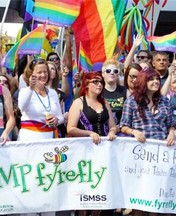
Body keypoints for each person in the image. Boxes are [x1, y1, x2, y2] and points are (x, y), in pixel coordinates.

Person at [120, 67, 175, 216]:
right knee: (139, 193)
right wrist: (134, 131)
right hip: (140, 154)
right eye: (151, 79)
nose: (156, 81)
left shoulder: (164, 101)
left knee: (156, 192)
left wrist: (172, 133)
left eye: (157, 79)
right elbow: (123, 126)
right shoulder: (132, 101)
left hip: (160, 153)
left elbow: (171, 123)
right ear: (143, 81)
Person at [66, 72, 117, 216]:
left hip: (103, 151)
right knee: (84, 189)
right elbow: (70, 128)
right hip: (84, 152)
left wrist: (112, 132)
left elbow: (113, 125)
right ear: (87, 84)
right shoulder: (79, 102)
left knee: (99, 188)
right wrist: (89, 133)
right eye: (95, 81)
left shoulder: (104, 102)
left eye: (101, 82)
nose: (99, 84)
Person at [18, 58, 64, 142]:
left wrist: (57, 120)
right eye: (39, 72)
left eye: (45, 72)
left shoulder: (53, 93)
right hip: (29, 139)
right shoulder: (25, 91)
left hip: (49, 139)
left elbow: (60, 116)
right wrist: (31, 88)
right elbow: (22, 108)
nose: (43, 75)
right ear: (31, 74)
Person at [102, 58, 127, 133]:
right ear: (103, 74)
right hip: (102, 132)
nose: (112, 73)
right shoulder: (98, 91)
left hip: (121, 132)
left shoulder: (125, 91)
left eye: (115, 71)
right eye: (108, 71)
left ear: (118, 74)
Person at [47, 61, 68, 138]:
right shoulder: (38, 91)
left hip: (58, 130)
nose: (50, 71)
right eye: (48, 69)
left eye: (53, 69)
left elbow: (60, 115)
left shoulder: (58, 93)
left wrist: (60, 118)